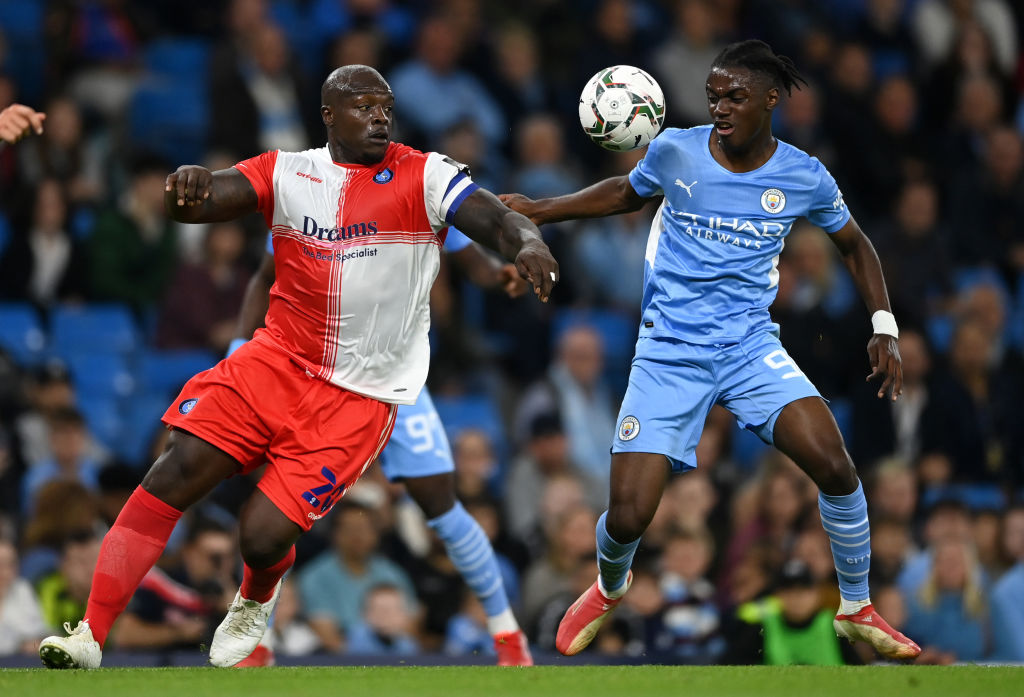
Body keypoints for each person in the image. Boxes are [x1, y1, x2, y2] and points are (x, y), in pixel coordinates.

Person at [37, 63, 558, 670]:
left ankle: (256, 601)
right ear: (329, 116)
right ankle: (89, 636)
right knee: (173, 470)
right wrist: (188, 187)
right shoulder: (289, 172)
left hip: (360, 396)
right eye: (363, 107)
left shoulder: (425, 174)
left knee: (261, 536)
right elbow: (209, 198)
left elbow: (494, 217)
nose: (379, 117)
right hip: (275, 363)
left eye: (385, 106)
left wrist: (528, 242)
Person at [502, 40, 920, 660]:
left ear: (770, 100)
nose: (720, 107)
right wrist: (540, 209)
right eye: (713, 96)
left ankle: (857, 607)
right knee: (628, 515)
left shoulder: (804, 174)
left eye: (735, 96)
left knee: (835, 463)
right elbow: (626, 193)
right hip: (669, 351)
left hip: (750, 347)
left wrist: (883, 323)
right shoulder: (677, 150)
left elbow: (855, 244)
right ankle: (608, 589)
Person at [231, 225, 535, 665]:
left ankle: (507, 634)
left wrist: (498, 273)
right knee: (280, 512)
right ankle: (258, 640)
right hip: (321, 381)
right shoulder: (303, 191)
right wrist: (239, 345)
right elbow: (265, 275)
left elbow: (472, 261)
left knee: (442, 505)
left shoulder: (422, 188)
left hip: (396, 379)